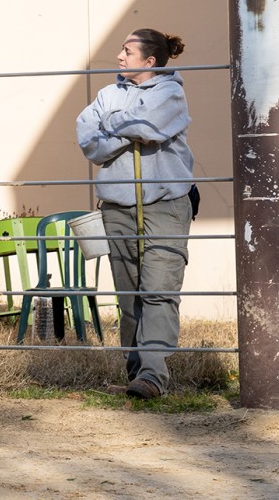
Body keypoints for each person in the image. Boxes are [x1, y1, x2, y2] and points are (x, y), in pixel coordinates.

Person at [75, 28, 195, 399]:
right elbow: (88, 139)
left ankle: (153, 376)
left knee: (158, 290)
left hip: (165, 205)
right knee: (129, 295)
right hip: (118, 209)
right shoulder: (107, 94)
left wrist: (115, 124)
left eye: (128, 51)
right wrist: (130, 128)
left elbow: (152, 128)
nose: (119, 56)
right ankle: (134, 376)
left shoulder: (170, 92)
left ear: (150, 61)